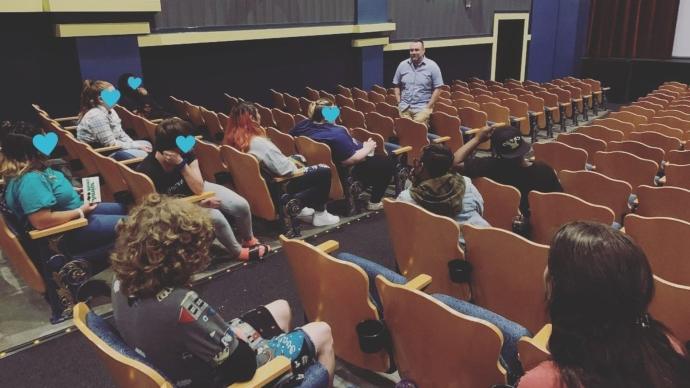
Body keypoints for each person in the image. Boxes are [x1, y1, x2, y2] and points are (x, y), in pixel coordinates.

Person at [111, 194, 335, 387]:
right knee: (322, 331)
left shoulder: (121, 278)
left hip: (175, 361)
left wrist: (226, 335)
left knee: (282, 308)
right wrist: (235, 338)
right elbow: (244, 368)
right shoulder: (180, 304)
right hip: (210, 377)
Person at [519, 221, 690, 387]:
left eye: (550, 265)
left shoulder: (542, 381)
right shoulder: (668, 348)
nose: (545, 271)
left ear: (559, 289)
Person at [136, 117, 269, 261]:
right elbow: (161, 208)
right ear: (170, 149)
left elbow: (199, 188)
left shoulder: (186, 154)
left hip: (195, 191)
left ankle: (248, 239)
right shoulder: (147, 170)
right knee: (216, 217)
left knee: (240, 205)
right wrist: (199, 205)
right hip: (175, 205)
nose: (191, 145)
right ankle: (238, 252)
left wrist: (182, 165)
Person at [0, 121, 127, 265]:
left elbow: (46, 190)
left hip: (77, 215)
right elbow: (41, 221)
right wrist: (80, 211)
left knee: (126, 209)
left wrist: (70, 192)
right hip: (70, 232)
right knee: (135, 226)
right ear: (31, 151)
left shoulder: (33, 170)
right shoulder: (30, 180)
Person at [223, 102, 339, 226]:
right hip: (278, 187)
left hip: (260, 187)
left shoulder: (231, 141)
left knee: (299, 158)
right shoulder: (259, 143)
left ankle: (301, 209)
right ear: (252, 118)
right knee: (324, 170)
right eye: (257, 113)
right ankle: (319, 214)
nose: (259, 116)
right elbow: (286, 170)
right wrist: (294, 163)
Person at [291, 98, 395, 211]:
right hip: (344, 170)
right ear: (327, 115)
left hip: (320, 165)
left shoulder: (302, 125)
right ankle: (374, 202)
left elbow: (290, 137)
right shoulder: (337, 133)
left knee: (384, 152)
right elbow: (350, 160)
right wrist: (367, 148)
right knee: (387, 162)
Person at [454, 125, 562, 216]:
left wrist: (477, 139)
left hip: (497, 222)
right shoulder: (544, 170)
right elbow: (560, 201)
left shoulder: (489, 166)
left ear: (496, 151)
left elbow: (455, 162)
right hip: (537, 225)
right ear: (523, 147)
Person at [397, 143, 489, 242]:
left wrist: (415, 181)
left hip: (440, 249)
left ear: (421, 166)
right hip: (483, 240)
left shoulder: (407, 199)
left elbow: (404, 230)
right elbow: (480, 208)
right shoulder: (466, 183)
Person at [76, 80, 152, 161]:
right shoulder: (96, 115)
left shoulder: (112, 110)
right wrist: (136, 147)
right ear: (101, 99)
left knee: (147, 144)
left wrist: (135, 144)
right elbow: (110, 144)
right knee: (144, 153)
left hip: (114, 148)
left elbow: (121, 134)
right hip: (100, 154)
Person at [392, 39, 444, 125]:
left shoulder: (432, 66)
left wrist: (428, 107)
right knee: (405, 134)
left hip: (421, 109)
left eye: (416, 50)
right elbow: (396, 84)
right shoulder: (402, 65)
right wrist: (399, 102)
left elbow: (438, 88)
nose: (413, 52)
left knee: (417, 135)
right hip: (404, 108)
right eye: (411, 50)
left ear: (423, 51)